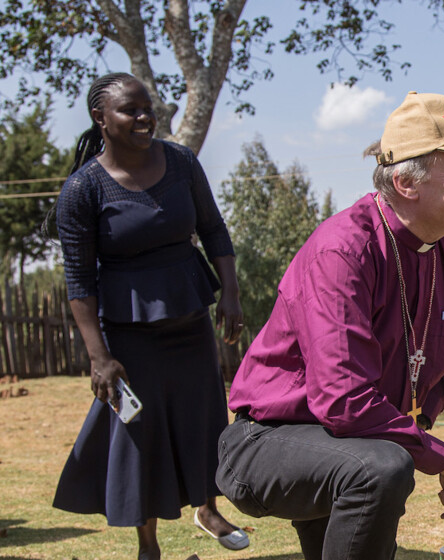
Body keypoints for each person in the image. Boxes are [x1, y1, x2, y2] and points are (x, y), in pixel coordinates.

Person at [216, 91, 444, 560]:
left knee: (380, 465)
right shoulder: (343, 250)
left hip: (356, 444)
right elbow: (344, 400)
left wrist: (419, 419)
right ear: (406, 183)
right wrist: (438, 454)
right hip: (269, 441)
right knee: (382, 467)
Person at [52, 72, 249, 559]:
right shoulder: (82, 190)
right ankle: (148, 545)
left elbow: (213, 228)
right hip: (128, 333)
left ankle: (208, 508)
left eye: (148, 108)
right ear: (101, 118)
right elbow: (79, 282)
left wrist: (231, 295)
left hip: (189, 315)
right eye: (130, 110)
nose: (144, 118)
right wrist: (99, 357)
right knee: (138, 432)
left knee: (204, 416)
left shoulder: (180, 160)